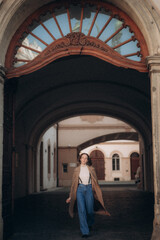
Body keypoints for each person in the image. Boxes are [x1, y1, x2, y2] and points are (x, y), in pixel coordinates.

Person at [66, 153, 110, 238]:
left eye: (86, 158)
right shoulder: (76, 170)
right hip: (80, 190)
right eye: (82, 158)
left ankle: (90, 223)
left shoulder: (91, 169)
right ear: (80, 159)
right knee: (81, 210)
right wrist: (70, 196)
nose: (84, 160)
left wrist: (96, 193)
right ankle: (85, 231)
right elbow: (73, 184)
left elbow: (96, 182)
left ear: (88, 160)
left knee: (90, 210)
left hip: (89, 189)